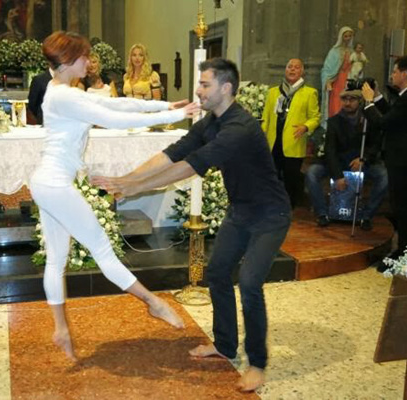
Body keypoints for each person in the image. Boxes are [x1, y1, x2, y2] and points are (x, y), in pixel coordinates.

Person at [93, 58, 291, 393]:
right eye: (199, 84)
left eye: (204, 84)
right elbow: (174, 152)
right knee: (216, 273)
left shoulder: (239, 128)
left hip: (270, 216)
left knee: (250, 283)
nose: (198, 90)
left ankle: (257, 363)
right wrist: (124, 180)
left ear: (225, 88)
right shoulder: (210, 122)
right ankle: (226, 346)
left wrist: (136, 187)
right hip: (241, 212)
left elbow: (191, 166)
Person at [29, 31, 200, 361]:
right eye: (84, 57)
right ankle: (154, 302)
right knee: (103, 251)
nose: (89, 62)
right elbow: (115, 117)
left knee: (56, 260)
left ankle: (61, 328)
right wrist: (177, 115)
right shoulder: (65, 96)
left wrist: (165, 104)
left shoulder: (61, 90)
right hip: (54, 184)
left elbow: (116, 102)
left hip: (47, 182)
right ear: (67, 60)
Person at [362, 55, 407, 269]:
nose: (392, 74)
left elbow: (382, 123)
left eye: (395, 71)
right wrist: (379, 97)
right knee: (400, 205)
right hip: (401, 156)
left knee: (402, 207)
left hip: (403, 157)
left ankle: (405, 252)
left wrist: (368, 102)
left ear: (405, 74)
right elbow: (393, 116)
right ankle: (403, 250)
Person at [304, 88, 387, 229]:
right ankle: (322, 213)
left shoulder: (369, 120)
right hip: (338, 162)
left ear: (359, 101)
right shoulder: (334, 122)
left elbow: (375, 145)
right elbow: (330, 150)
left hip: (361, 162)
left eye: (352, 99)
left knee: (384, 175)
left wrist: (363, 159)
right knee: (312, 172)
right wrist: (337, 175)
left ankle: (366, 216)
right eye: (345, 99)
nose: (347, 103)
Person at [261, 58, 321, 208]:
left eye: (296, 67)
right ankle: (271, 205)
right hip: (273, 142)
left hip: (294, 141)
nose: (292, 69)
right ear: (285, 70)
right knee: (271, 176)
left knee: (290, 178)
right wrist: (261, 136)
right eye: (289, 67)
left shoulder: (309, 93)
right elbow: (266, 118)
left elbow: (315, 117)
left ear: (302, 72)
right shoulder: (273, 92)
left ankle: (288, 207)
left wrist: (306, 127)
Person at [321, 26, 354, 125]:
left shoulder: (353, 52)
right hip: (337, 81)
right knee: (336, 104)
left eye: (349, 36)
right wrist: (327, 80)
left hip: (349, 81)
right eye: (345, 36)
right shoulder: (334, 52)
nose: (347, 39)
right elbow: (327, 69)